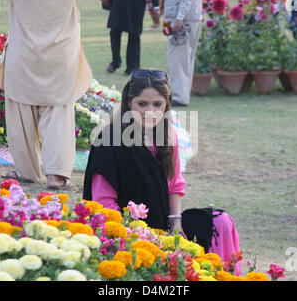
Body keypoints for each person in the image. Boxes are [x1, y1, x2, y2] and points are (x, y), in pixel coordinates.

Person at [83, 69, 241, 271]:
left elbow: (175, 184)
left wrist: (176, 223)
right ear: (129, 103)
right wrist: (140, 235)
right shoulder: (110, 141)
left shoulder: (167, 135)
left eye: (157, 104)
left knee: (221, 222)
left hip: (164, 225)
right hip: (125, 234)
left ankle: (224, 275)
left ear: (166, 105)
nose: (150, 112)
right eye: (142, 104)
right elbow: (103, 203)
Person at [0, 0, 93, 190]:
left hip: (23, 48)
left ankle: (27, 171)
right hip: (62, 48)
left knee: (20, 108)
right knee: (59, 108)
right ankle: (57, 175)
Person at [144, 0, 203, 107]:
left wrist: (179, 18)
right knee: (183, 59)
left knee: (178, 59)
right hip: (188, 18)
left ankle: (179, 97)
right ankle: (182, 94)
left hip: (184, 20)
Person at [101, 0, 147, 75]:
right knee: (114, 30)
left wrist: (156, 5)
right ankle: (115, 61)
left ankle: (132, 66)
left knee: (134, 33)